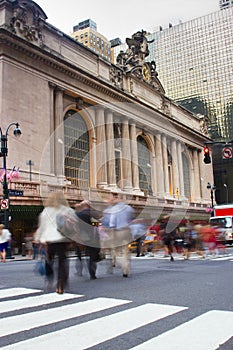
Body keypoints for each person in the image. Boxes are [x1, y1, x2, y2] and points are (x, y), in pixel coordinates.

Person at [35, 191, 70, 294]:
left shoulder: (46, 211)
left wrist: (39, 239)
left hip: (49, 240)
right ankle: (60, 283)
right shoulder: (66, 210)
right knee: (62, 262)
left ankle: (49, 280)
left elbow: (41, 227)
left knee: (49, 260)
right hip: (62, 239)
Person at [108, 194, 135, 277]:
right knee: (126, 249)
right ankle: (126, 267)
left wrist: (111, 235)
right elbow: (131, 219)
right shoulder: (129, 208)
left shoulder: (114, 210)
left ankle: (123, 265)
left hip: (118, 232)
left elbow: (112, 223)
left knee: (118, 251)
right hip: (127, 230)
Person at [75, 200, 100, 280]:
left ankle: (80, 270)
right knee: (92, 256)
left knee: (80, 254)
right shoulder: (92, 214)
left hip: (81, 237)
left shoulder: (78, 215)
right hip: (92, 237)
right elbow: (97, 225)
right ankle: (92, 273)